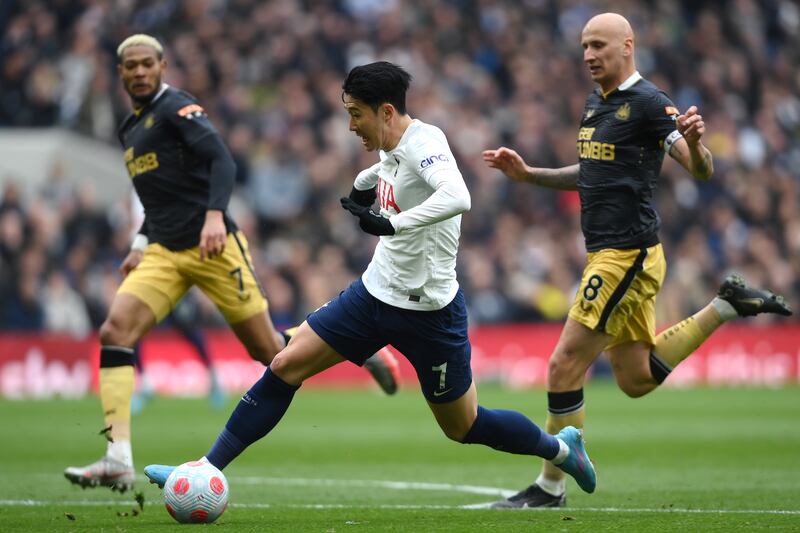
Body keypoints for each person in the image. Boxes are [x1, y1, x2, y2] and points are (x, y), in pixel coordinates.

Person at [142, 61, 598, 497]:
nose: (350, 125)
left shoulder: (425, 142)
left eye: (355, 114)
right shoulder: (391, 147)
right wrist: (364, 183)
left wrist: (393, 225)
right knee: (284, 366)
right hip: (373, 295)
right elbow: (390, 166)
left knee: (464, 426)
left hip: (430, 313)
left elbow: (458, 196)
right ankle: (202, 471)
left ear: (386, 111)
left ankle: (561, 448)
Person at [63, 35, 399, 494]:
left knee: (270, 353)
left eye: (147, 64)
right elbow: (152, 195)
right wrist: (141, 240)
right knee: (114, 332)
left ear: (162, 66)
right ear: (120, 72)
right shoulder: (130, 128)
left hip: (212, 243)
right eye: (130, 66)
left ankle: (362, 350)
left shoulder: (178, 107)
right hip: (163, 250)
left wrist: (215, 216)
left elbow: (221, 158)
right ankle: (117, 458)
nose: (139, 72)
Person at [482, 12, 792, 508]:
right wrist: (529, 175)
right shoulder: (595, 103)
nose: (588, 55)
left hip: (624, 257)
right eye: (584, 46)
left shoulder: (650, 103)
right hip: (615, 255)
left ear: (628, 45)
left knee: (563, 366)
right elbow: (590, 171)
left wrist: (693, 142)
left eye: (598, 46)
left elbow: (701, 170)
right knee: (635, 378)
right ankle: (725, 307)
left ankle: (550, 487)